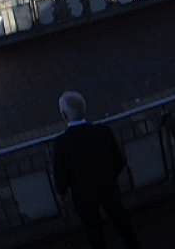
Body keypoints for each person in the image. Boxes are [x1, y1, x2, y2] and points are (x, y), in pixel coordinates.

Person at [52, 91, 140, 249]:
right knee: (123, 224)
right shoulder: (103, 131)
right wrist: (109, 176)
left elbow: (61, 178)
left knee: (94, 232)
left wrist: (64, 192)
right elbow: (119, 161)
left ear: (64, 115)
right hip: (108, 186)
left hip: (82, 195)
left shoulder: (61, 143)